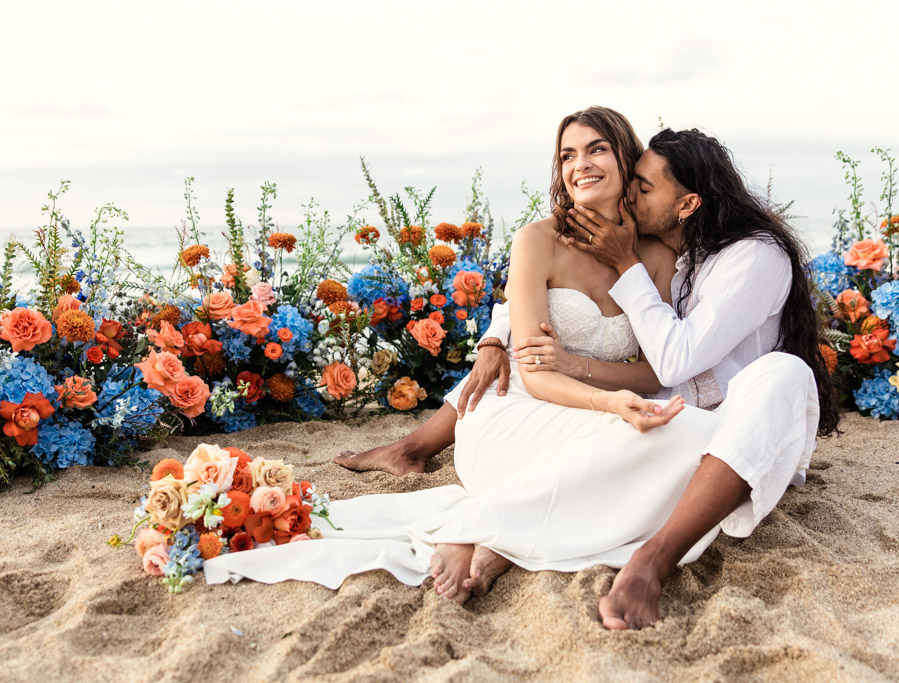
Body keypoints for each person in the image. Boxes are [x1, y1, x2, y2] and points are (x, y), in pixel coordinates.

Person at [335, 124, 840, 629]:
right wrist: (495, 336)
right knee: (650, 437)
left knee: (782, 376)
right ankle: (499, 531)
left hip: (733, 428)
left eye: (644, 187)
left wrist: (622, 270)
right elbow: (542, 296)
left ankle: (524, 538)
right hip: (657, 418)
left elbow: (673, 362)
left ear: (686, 205)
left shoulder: (747, 257)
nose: (633, 195)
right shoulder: (638, 239)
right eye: (568, 155)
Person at [204, 107, 697, 601]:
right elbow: (540, 375)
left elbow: (654, 372)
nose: (580, 165)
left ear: (624, 157)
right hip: (518, 409)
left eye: (596, 150)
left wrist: (598, 382)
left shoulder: (655, 256)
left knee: (673, 450)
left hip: (589, 412)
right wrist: (610, 399)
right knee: (632, 452)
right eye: (567, 155)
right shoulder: (537, 240)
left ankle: (494, 539)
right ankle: (476, 529)